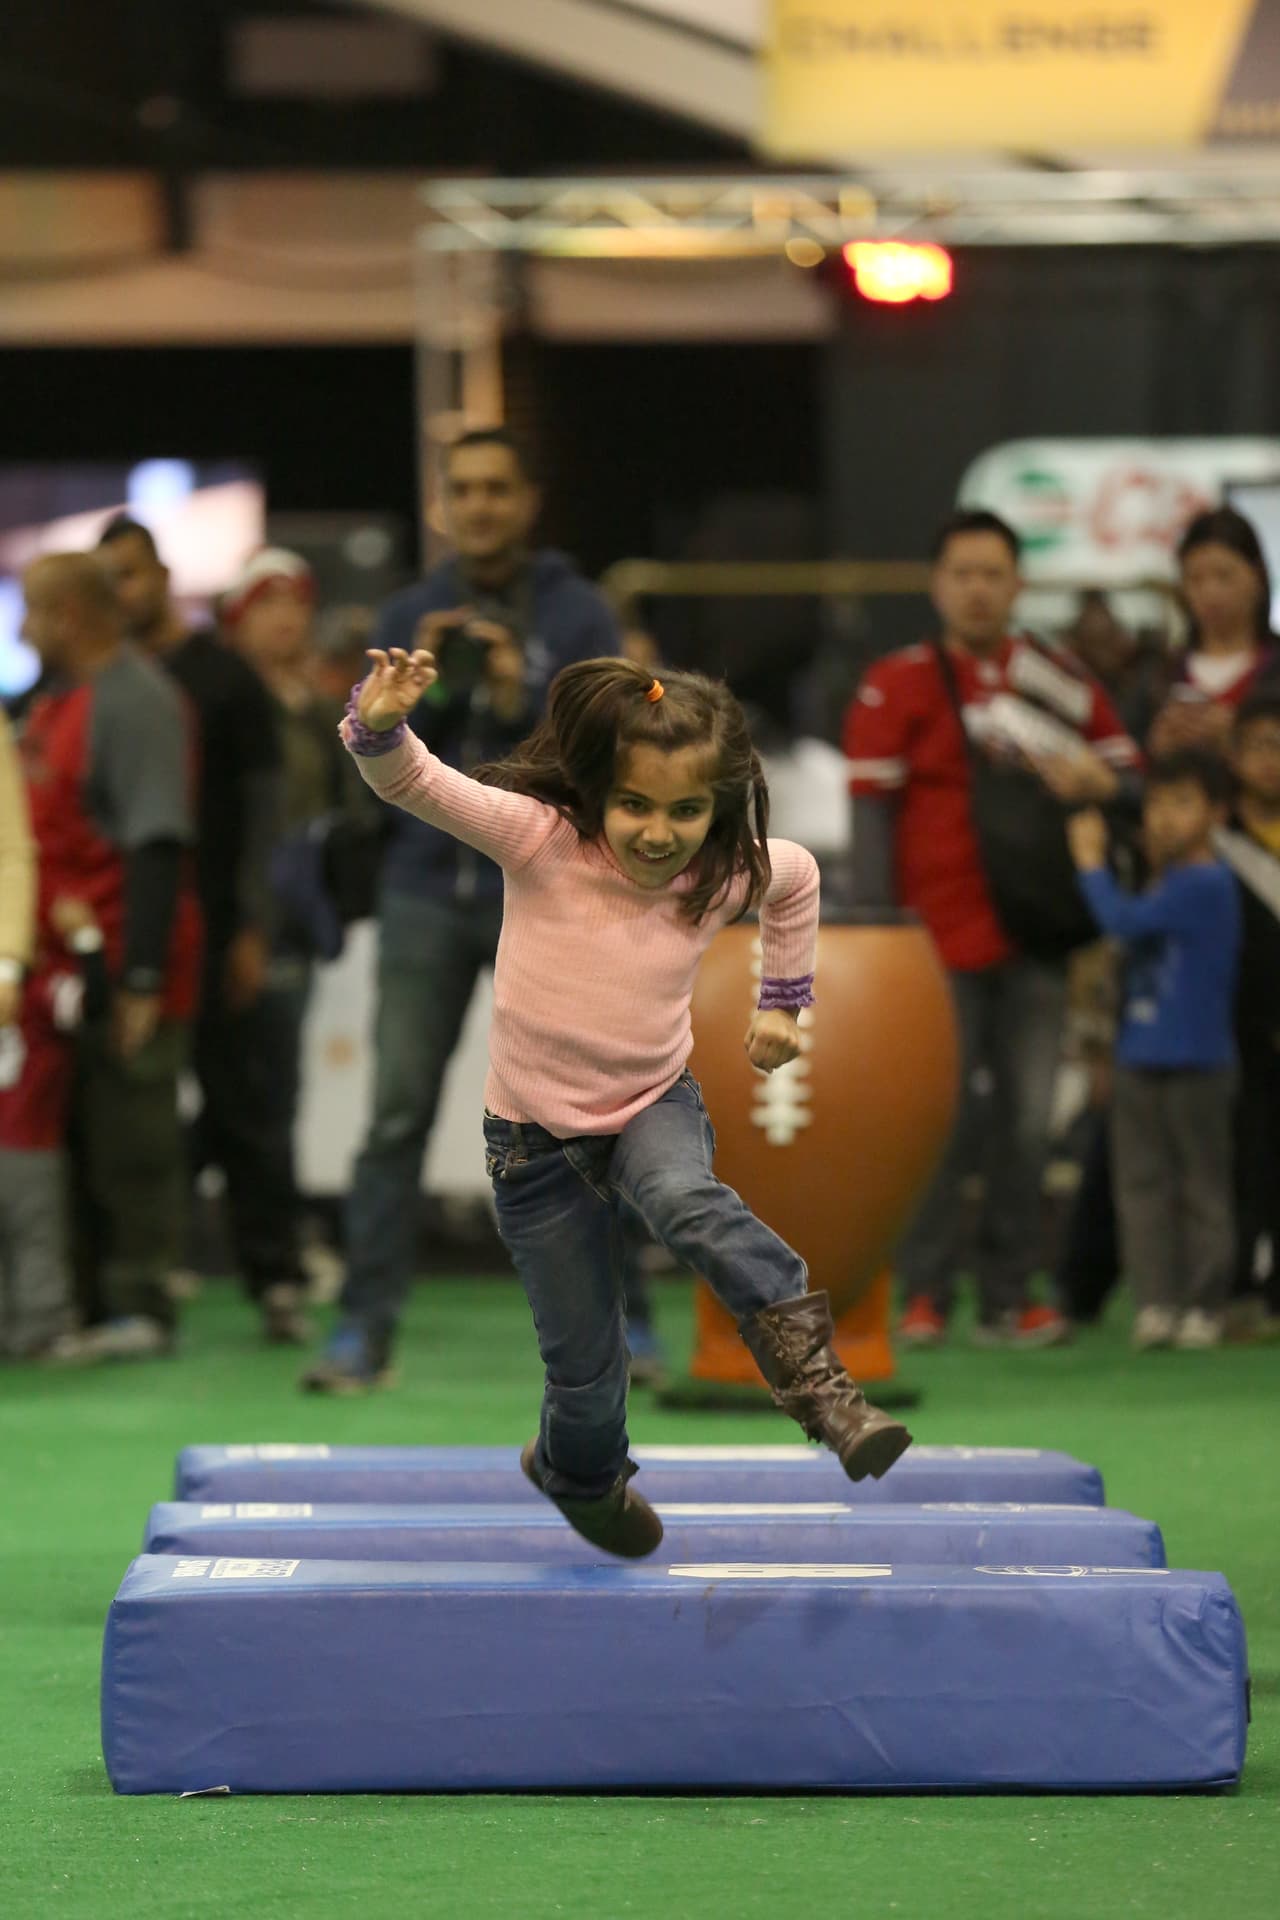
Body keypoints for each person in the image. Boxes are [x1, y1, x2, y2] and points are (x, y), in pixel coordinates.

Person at [341, 645, 911, 1554]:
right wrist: (378, 721)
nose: (658, 833)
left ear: (718, 808)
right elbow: (411, 782)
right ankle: (578, 1474)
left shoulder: (721, 872)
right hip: (533, 1144)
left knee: (687, 1198)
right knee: (586, 1373)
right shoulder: (540, 840)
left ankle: (817, 1387)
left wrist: (785, 1004)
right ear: (599, 790)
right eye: (635, 805)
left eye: (687, 811)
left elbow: (795, 880)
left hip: (652, 1104)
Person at [303, 428, 621, 1391]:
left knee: (594, 1118)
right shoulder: (408, 613)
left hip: (551, 895)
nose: (480, 505)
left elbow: (614, 755)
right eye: (464, 489)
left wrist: (520, 691)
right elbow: (364, 768)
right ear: (446, 503)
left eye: (498, 488)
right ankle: (364, 1330)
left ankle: (626, 1327)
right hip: (425, 893)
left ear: (527, 500)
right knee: (397, 1117)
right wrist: (425, 701)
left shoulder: (581, 613)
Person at [845, 508, 1140, 1348]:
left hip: (1037, 939)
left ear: (1018, 585)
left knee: (1026, 1120)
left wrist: (1093, 781)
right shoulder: (894, 682)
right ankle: (926, 1293)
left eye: (994, 573)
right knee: (935, 1120)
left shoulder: (1061, 679)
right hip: (930, 947)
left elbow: (1130, 782)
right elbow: (871, 818)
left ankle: (1013, 1294)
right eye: (962, 573)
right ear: (938, 585)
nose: (978, 589)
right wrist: (879, 938)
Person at [95, 517, 295, 1342]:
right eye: (107, 580)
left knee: (243, 1106)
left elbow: (261, 810)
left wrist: (250, 922)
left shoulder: (223, 678)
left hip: (213, 928)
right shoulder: (96, 682)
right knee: (124, 1116)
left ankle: (275, 1279)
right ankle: (131, 1283)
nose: (122, 593)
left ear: (163, 574)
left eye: (132, 575)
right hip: (121, 932)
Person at [18, 553, 201, 1359]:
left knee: (135, 1136)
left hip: (129, 955)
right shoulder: (47, 705)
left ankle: (140, 1303)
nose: (21, 630)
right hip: (62, 970)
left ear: (70, 616)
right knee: (83, 1135)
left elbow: (157, 843)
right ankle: (89, 1301)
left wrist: (140, 980)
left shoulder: (137, 703)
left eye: (31, 611)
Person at [1067, 752, 1241, 1351]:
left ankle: (1203, 1304)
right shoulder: (1165, 878)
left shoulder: (1207, 882)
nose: (1165, 818)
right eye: (1158, 804)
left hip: (1198, 1057)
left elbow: (1122, 922)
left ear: (1218, 814)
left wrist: (1090, 865)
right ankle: (1157, 1304)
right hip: (1140, 1054)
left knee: (1199, 1186)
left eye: (1183, 803)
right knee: (1141, 1186)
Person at [1218, 692, 1280, 1337]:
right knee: (1243, 1161)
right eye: (1258, 745)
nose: (1270, 761)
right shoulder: (1216, 841)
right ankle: (1234, 1287)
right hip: (1235, 1034)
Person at [1148, 507, 1280, 760]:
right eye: (1195, 579)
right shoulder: (1159, 675)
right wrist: (1158, 751)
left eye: (1224, 575)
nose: (1210, 593)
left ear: (1258, 577)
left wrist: (1242, 741)